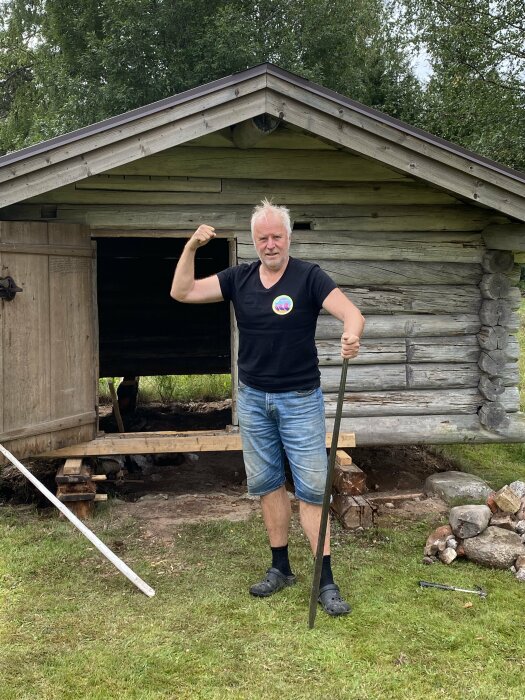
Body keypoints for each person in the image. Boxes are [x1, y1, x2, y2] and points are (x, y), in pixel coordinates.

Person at [171, 199, 365, 616]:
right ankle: (281, 568)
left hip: (299, 400)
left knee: (312, 490)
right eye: (263, 238)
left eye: (277, 236)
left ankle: (324, 581)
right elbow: (182, 291)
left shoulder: (308, 277)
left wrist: (351, 335)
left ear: (288, 238)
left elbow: (352, 313)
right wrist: (190, 248)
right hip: (254, 401)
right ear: (254, 242)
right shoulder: (238, 279)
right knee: (268, 485)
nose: (270, 244)